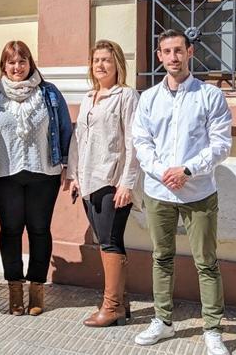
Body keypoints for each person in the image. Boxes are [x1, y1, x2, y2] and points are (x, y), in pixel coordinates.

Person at [132, 29, 232, 355]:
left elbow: (221, 145)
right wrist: (164, 172)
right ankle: (163, 320)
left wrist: (187, 170)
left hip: (199, 191)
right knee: (161, 257)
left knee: (207, 262)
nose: (173, 57)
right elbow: (142, 143)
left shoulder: (210, 95)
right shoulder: (148, 98)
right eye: (166, 51)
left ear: (189, 52)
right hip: (159, 191)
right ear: (159, 56)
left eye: (178, 50)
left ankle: (213, 329)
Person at [0, 40, 73, 316]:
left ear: (30, 63)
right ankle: (14, 289)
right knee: (10, 231)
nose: (17, 67)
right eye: (11, 62)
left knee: (38, 229)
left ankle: (36, 288)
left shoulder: (48, 93)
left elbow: (64, 129)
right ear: (4, 66)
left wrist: (67, 166)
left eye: (22, 61)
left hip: (43, 173)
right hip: (4, 174)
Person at [66, 39, 139, 327]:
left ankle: (111, 308)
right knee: (105, 242)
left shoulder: (127, 96)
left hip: (112, 180)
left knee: (110, 242)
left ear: (117, 64)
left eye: (106, 60)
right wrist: (73, 176)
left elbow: (135, 142)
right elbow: (78, 139)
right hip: (88, 180)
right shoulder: (89, 97)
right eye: (96, 60)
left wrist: (127, 183)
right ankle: (122, 301)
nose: (100, 65)